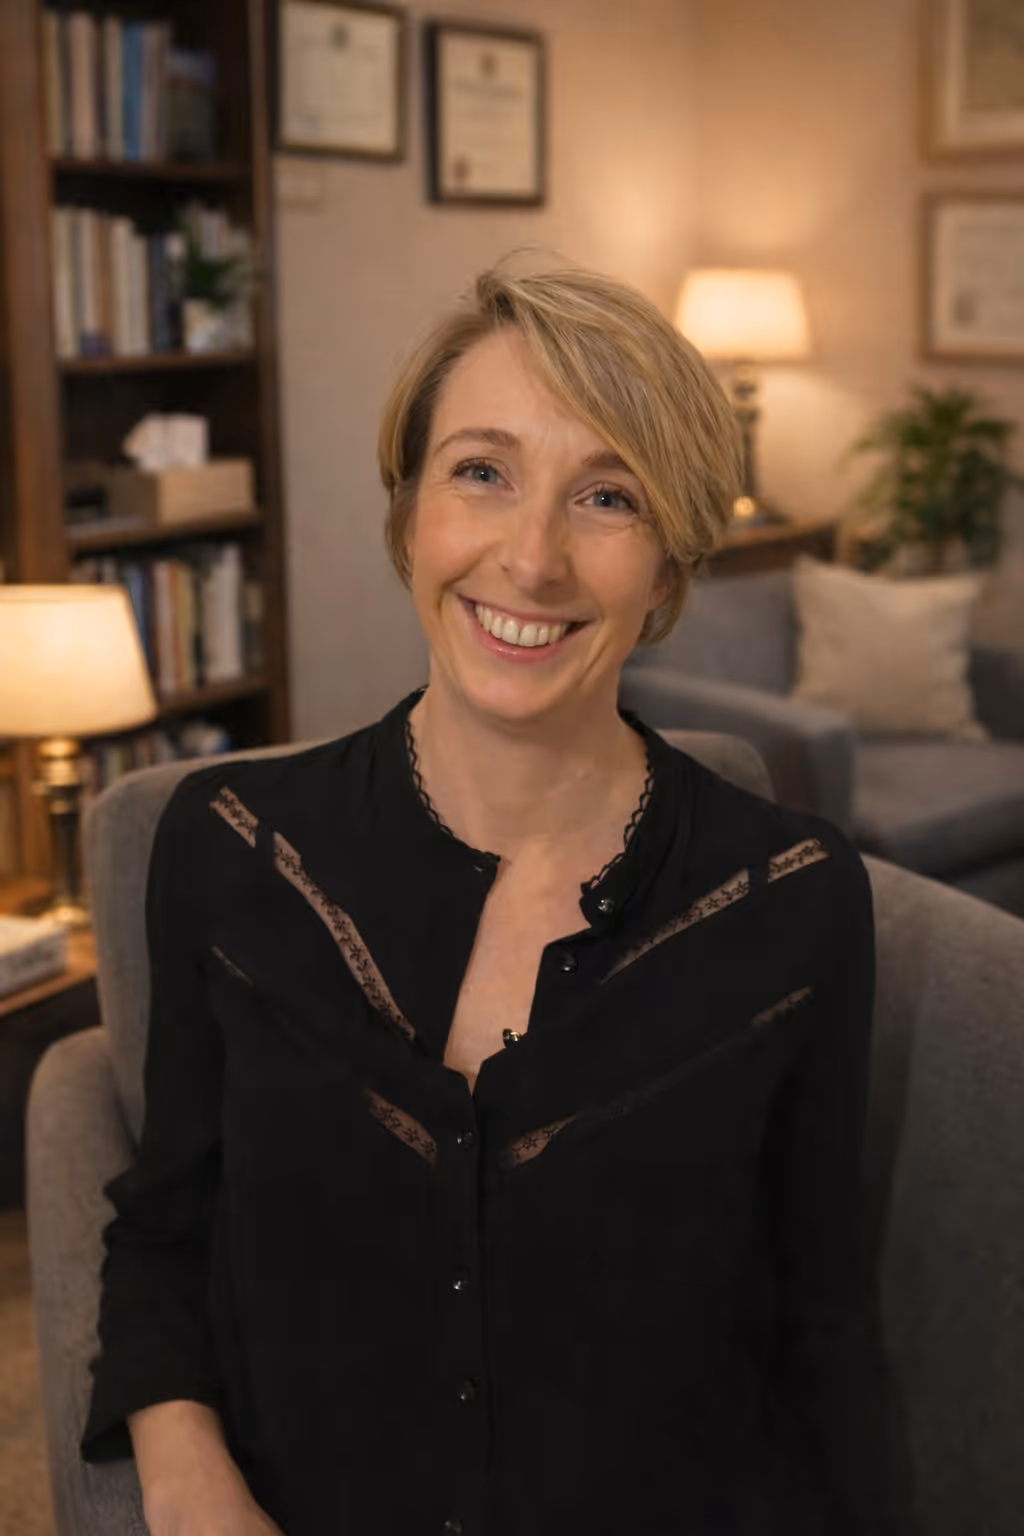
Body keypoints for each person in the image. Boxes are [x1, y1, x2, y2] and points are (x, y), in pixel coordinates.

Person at [81, 263, 910, 1536]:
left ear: (671, 565)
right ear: (409, 511)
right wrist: (192, 1484)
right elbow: (162, 1232)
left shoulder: (791, 901)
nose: (531, 557)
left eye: (607, 496)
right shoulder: (233, 848)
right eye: (481, 471)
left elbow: (822, 1332)